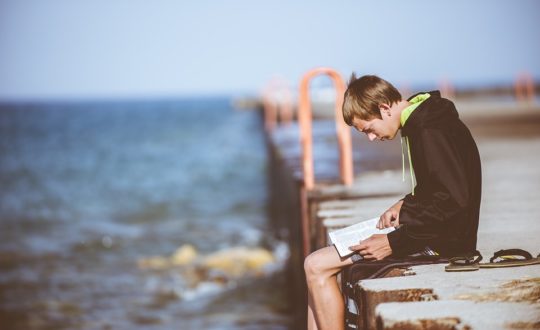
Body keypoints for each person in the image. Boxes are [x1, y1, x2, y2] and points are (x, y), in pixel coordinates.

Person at [304, 74, 482, 330]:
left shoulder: (429, 130)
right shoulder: (425, 121)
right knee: (315, 263)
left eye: (368, 129)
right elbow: (443, 189)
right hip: (433, 233)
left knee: (316, 266)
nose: (371, 138)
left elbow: (454, 202)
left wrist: (392, 243)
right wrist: (406, 204)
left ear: (384, 108)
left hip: (445, 244)